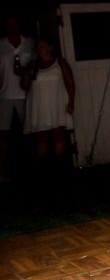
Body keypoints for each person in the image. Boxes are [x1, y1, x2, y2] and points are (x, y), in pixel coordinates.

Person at [23, 37, 75, 170]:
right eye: (37, 46)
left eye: (42, 46)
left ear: (50, 48)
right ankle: (44, 170)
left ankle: (62, 169)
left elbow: (70, 83)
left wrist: (71, 102)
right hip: (39, 106)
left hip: (56, 104)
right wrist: (26, 75)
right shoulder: (33, 64)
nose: (39, 48)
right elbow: (25, 87)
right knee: (41, 140)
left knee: (58, 137)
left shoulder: (60, 62)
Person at [0, 14, 35, 181]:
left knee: (30, 132)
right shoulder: (0, 44)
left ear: (19, 25)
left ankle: (33, 169)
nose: (12, 26)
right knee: (3, 135)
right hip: (4, 95)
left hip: (26, 94)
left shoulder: (30, 43)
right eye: (9, 24)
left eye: (14, 23)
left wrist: (26, 70)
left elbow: (37, 64)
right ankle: (1, 171)